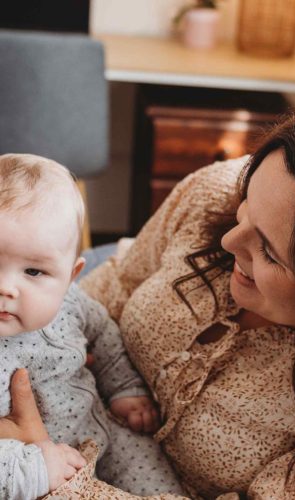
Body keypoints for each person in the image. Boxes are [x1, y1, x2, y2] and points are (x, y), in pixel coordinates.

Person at [1, 101, 295, 499]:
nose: (230, 241)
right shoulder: (214, 194)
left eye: (268, 251)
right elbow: (113, 286)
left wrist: (48, 472)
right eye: (244, 210)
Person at [0, 154, 183, 499]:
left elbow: (104, 336)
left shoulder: (72, 303)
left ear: (71, 276)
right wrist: (37, 468)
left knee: (148, 461)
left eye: (34, 272)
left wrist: (125, 389)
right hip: (34, 469)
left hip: (104, 434)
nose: (6, 288)